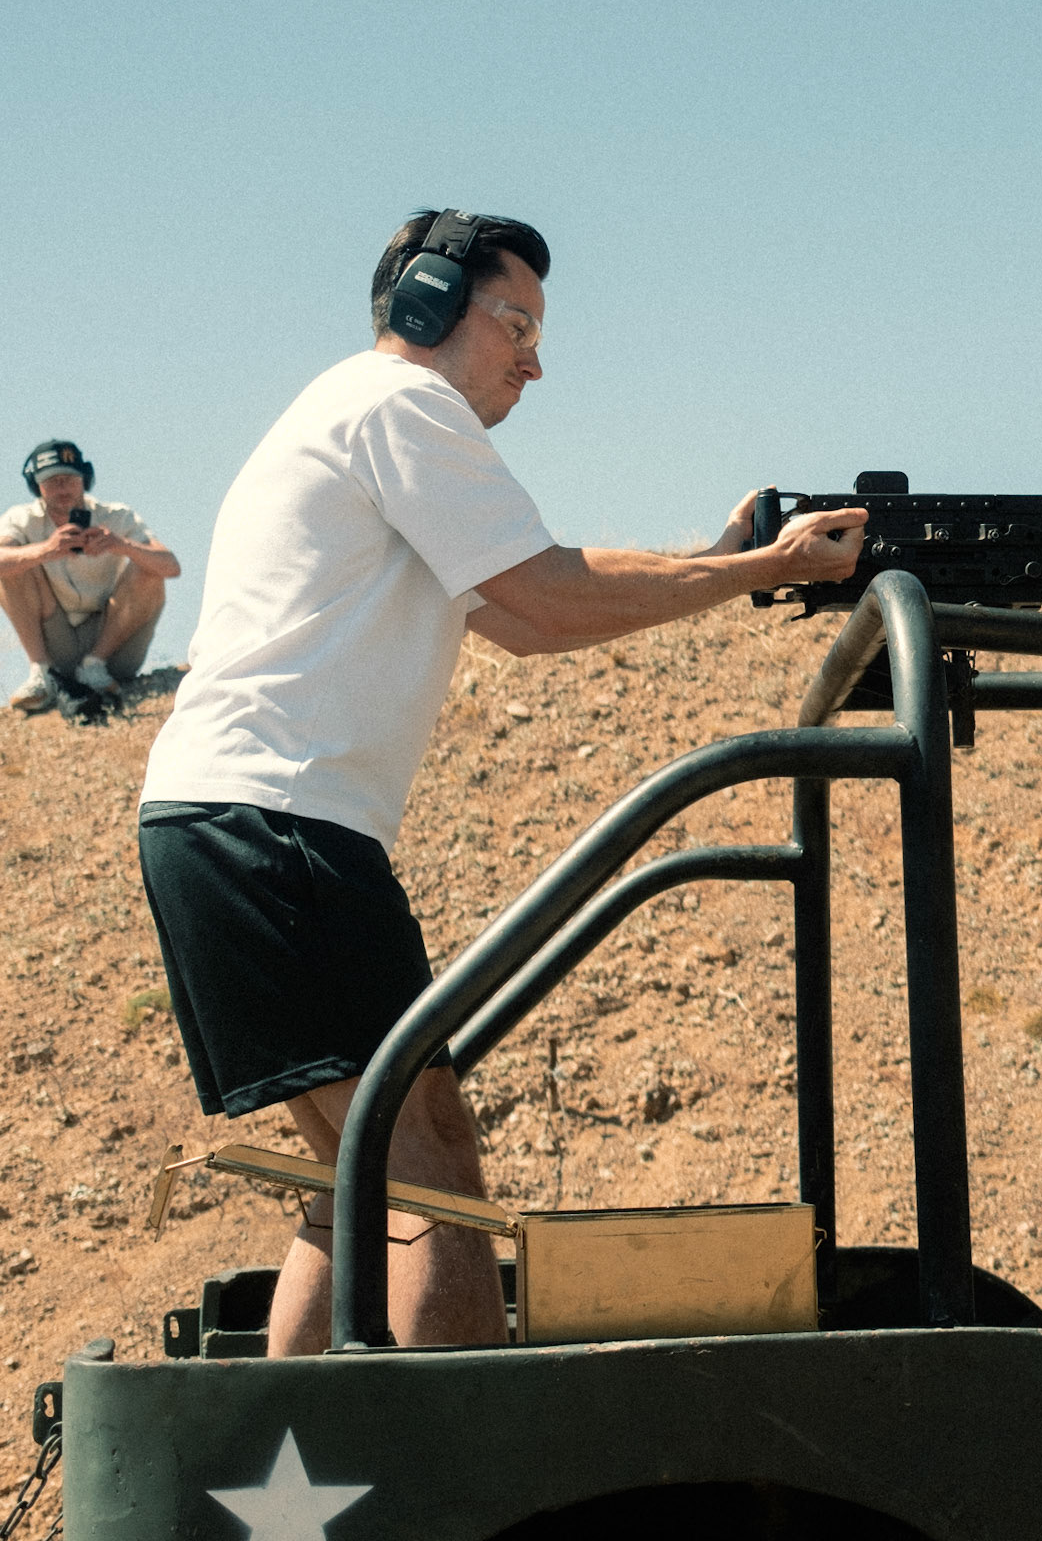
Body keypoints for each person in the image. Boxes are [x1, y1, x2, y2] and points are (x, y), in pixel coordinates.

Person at [138, 208, 866, 1358]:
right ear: (428, 303)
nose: (534, 362)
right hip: (275, 819)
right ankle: (453, 1458)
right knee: (431, 1164)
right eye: (515, 325)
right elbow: (543, 599)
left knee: (356, 1182)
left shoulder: (357, 411)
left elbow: (535, 596)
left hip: (227, 818)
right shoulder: (402, 404)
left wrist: (718, 559)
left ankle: (300, 1462)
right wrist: (758, 569)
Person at [1, 440, 181, 713]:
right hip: (56, 641)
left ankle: (94, 666)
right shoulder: (21, 519)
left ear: (85, 479)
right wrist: (45, 550)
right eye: (52, 480)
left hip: (111, 645)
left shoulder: (116, 516)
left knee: (149, 570)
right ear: (36, 486)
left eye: (69, 478)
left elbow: (171, 567)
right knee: (13, 564)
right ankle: (42, 673)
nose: (62, 487)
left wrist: (121, 544)